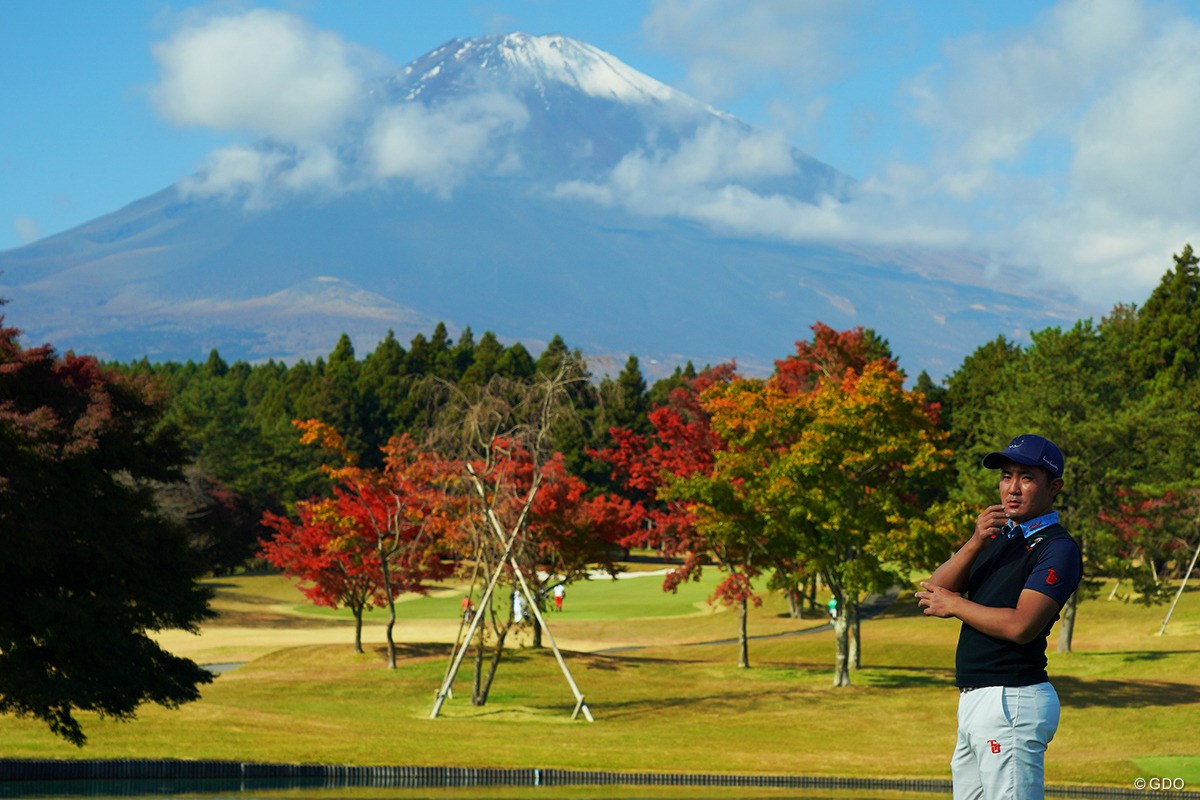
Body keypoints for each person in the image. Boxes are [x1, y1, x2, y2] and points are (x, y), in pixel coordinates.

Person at [915, 434, 1082, 800]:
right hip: (978, 699)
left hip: (1012, 699)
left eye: (1026, 477)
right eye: (1006, 476)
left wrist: (956, 605)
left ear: (1055, 487)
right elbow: (932, 594)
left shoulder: (1058, 548)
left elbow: (1021, 626)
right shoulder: (1001, 536)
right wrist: (975, 541)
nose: (1013, 488)